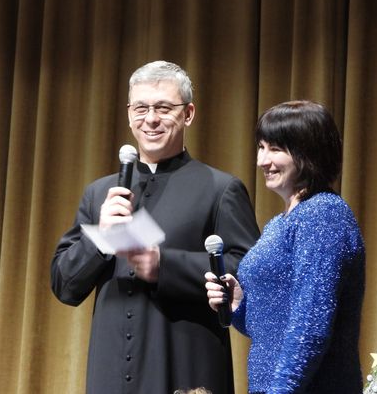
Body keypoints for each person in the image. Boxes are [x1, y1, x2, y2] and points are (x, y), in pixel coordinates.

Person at [50, 60, 260, 394]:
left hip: (187, 368)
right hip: (110, 375)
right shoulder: (99, 194)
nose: (150, 119)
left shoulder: (221, 189)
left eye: (163, 108)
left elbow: (248, 271)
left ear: (188, 114)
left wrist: (166, 266)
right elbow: (65, 286)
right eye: (141, 108)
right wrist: (99, 240)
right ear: (128, 114)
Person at [205, 100, 365, 393]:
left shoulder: (323, 213)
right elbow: (272, 328)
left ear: (309, 153)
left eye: (275, 149)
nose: (262, 160)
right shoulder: (279, 223)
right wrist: (239, 305)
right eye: (261, 147)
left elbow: (311, 326)